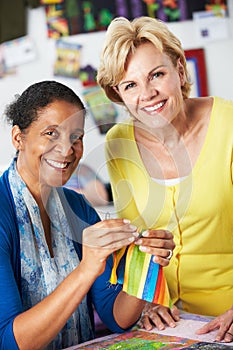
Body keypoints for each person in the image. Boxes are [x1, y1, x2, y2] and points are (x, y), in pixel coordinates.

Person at [0, 80, 175, 350]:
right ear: (17, 138)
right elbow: (11, 342)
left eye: (76, 137)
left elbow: (116, 316)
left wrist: (147, 264)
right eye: (51, 133)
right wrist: (86, 269)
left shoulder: (79, 208)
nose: (67, 150)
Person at [97, 16, 233, 343]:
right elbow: (137, 243)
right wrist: (147, 303)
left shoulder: (229, 125)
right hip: (167, 323)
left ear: (180, 71)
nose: (148, 94)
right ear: (119, 94)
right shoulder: (118, 143)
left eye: (156, 75)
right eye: (130, 85)